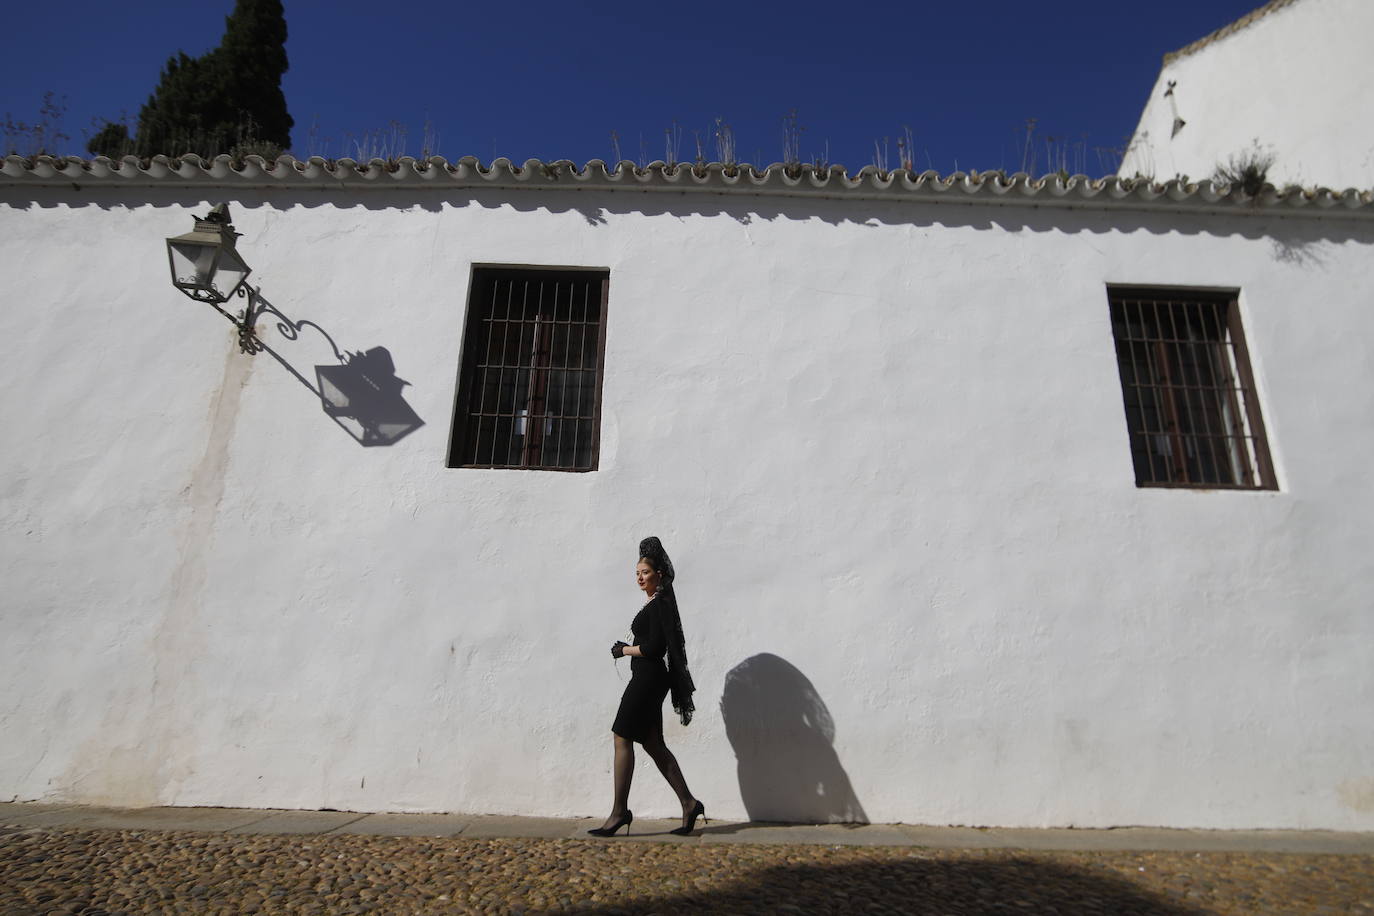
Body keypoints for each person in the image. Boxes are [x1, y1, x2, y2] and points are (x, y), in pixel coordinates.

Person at [589, 537, 706, 837]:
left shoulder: (661, 604)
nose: (640, 577)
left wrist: (625, 650)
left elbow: (654, 648)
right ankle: (689, 803)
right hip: (650, 678)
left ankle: (619, 813)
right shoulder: (657, 603)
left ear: (660, 575)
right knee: (653, 744)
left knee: (621, 736)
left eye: (645, 572)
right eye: (637, 573)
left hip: (648, 678)